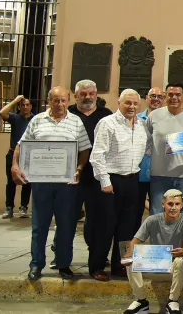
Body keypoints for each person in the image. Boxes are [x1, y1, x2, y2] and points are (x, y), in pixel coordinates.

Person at [11, 86, 91, 281]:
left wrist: (79, 169)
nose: (60, 104)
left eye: (64, 100)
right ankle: (36, 264)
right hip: (41, 183)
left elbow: (84, 149)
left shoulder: (76, 122)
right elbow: (21, 145)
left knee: (66, 225)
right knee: (39, 226)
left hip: (66, 184)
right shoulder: (37, 120)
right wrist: (14, 166)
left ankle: (64, 264)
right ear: (49, 101)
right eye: (56, 101)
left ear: (68, 100)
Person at [89, 88, 149, 281]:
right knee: (105, 226)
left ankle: (119, 265)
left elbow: (145, 150)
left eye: (134, 104)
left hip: (132, 180)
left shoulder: (141, 125)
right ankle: (97, 266)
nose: (131, 107)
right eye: (127, 103)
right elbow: (97, 155)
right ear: (119, 103)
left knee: (127, 227)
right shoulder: (107, 124)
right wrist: (105, 181)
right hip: (111, 181)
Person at [122, 189, 183, 314]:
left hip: (174, 268)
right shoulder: (152, 220)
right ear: (163, 204)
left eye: (177, 204)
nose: (173, 208)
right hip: (153, 265)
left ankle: (172, 301)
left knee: (182, 261)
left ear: (182, 205)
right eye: (170, 204)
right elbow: (134, 242)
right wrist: (127, 253)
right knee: (130, 259)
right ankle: (141, 300)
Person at [146, 83, 183, 214]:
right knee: (157, 215)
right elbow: (146, 142)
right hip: (158, 175)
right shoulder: (154, 116)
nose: (174, 98)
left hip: (182, 176)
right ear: (165, 96)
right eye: (170, 94)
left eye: (178, 95)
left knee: (178, 216)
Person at [69, 79, 114, 249]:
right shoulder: (68, 113)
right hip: (72, 174)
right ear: (76, 96)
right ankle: (61, 254)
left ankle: (94, 252)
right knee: (67, 216)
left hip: (97, 176)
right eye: (83, 94)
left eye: (91, 93)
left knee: (96, 218)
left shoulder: (107, 115)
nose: (87, 97)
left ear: (96, 95)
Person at [0, 94, 34, 219]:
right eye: (22, 105)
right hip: (13, 153)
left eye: (27, 105)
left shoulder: (34, 119)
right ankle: (9, 208)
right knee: (11, 182)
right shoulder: (15, 118)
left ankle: (23, 207)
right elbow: (2, 113)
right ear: (19, 106)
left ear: (31, 106)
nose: (25, 107)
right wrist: (14, 101)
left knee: (27, 182)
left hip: (29, 155)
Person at [135, 87, 164, 226]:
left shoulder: (168, 119)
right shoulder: (136, 119)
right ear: (146, 98)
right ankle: (132, 243)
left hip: (161, 172)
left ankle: (156, 243)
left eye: (159, 96)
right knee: (135, 211)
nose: (156, 99)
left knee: (158, 211)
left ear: (163, 100)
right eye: (153, 96)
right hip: (139, 172)